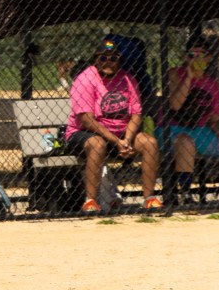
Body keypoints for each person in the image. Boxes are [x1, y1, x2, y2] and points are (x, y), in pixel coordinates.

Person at [64, 37, 161, 213]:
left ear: (119, 60)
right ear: (96, 59)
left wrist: (127, 139)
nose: (108, 62)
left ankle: (149, 198)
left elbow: (136, 114)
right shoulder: (85, 79)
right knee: (98, 144)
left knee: (150, 143)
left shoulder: (128, 78)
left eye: (113, 58)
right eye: (103, 58)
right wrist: (118, 141)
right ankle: (90, 201)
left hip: (122, 134)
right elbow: (87, 119)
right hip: (85, 133)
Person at [160, 33, 219, 203]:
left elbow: (214, 117)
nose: (196, 58)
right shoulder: (175, 74)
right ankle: (185, 193)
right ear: (186, 57)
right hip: (171, 129)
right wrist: (190, 76)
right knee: (185, 142)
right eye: (192, 55)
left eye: (201, 55)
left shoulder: (212, 84)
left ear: (209, 58)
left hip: (200, 130)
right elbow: (175, 105)